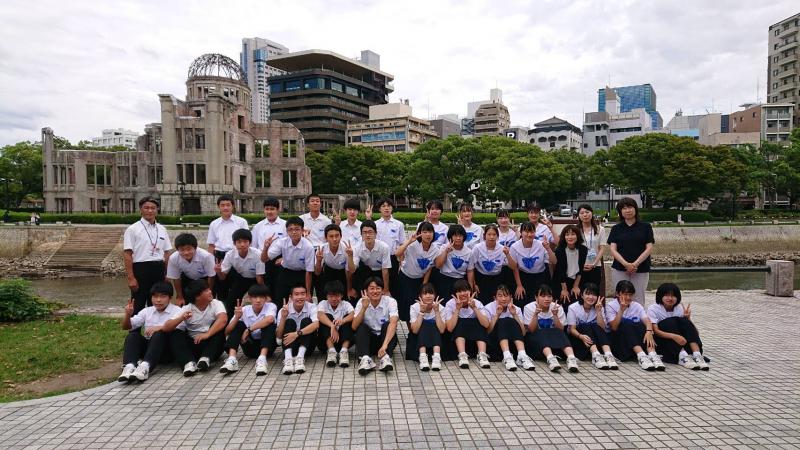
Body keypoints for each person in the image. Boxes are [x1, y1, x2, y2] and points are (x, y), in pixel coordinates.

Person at [118, 282, 181, 382]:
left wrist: (159, 328)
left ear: (170, 298)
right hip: (149, 350)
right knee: (133, 335)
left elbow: (181, 329)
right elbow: (126, 326)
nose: (158, 300)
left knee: (159, 334)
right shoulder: (147, 311)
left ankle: (145, 368)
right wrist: (127, 315)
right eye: (155, 296)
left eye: (162, 296)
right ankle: (129, 367)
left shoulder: (177, 311)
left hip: (166, 351)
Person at [163, 280, 228, 376]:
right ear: (197, 296)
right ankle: (188, 363)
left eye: (209, 289)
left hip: (213, 347)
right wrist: (181, 318)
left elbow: (223, 319)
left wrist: (207, 334)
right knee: (175, 332)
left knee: (219, 327)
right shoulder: (187, 309)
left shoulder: (216, 303)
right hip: (194, 344)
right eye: (206, 290)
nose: (210, 291)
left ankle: (205, 359)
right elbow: (166, 327)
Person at [123, 197, 173, 315]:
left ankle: (155, 326)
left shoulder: (162, 229)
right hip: (141, 269)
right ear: (140, 209)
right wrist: (131, 278)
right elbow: (127, 253)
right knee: (138, 303)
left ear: (157, 210)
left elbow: (167, 252)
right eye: (146, 208)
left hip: (159, 268)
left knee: (157, 303)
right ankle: (135, 326)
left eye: (153, 208)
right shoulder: (133, 229)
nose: (150, 211)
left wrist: (167, 273)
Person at [219, 284, 277, 376]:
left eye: (261, 297)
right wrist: (236, 318)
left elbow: (270, 319)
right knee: (238, 324)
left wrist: (248, 330)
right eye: (255, 297)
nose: (258, 300)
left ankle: (262, 360)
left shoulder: (271, 306)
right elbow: (227, 332)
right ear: (250, 298)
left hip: (268, 348)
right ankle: (232, 359)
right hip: (249, 347)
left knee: (269, 325)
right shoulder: (244, 309)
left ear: (266, 298)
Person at [605, 280, 663, 371]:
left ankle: (652, 354)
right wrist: (621, 310)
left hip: (633, 340)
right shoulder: (610, 306)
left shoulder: (636, 305)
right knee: (626, 323)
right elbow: (614, 327)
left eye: (630, 295)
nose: (628, 297)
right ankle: (641, 356)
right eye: (625, 294)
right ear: (617, 294)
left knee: (642, 326)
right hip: (619, 341)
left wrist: (649, 331)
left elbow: (647, 320)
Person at [648, 283, 708, 370]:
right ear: (660, 296)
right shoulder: (653, 309)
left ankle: (697, 355)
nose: (670, 298)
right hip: (664, 342)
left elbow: (695, 333)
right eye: (667, 295)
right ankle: (683, 357)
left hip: (682, 341)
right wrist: (674, 336)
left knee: (684, 321)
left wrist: (688, 319)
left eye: (673, 296)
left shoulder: (679, 308)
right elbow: (656, 331)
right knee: (668, 322)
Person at [607, 197, 654, 305]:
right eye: (624, 208)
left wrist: (635, 264)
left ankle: (638, 316)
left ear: (635, 209)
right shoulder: (616, 228)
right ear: (620, 211)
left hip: (641, 268)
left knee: (638, 298)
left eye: (630, 207)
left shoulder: (646, 227)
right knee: (620, 297)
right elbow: (613, 249)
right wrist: (626, 264)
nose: (627, 210)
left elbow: (649, 248)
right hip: (620, 268)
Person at [523, 284, 579, 372]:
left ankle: (571, 358)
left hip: (555, 341)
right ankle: (551, 359)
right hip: (537, 343)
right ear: (536, 297)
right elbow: (531, 330)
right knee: (542, 332)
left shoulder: (557, 307)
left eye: (549, 296)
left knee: (559, 333)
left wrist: (555, 315)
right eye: (543, 296)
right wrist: (535, 314)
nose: (547, 299)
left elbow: (561, 330)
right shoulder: (529, 307)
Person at [214, 229, 265, 320]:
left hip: (256, 279)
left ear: (250, 242)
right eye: (239, 242)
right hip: (242, 278)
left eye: (245, 241)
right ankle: (228, 321)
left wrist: (263, 293)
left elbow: (259, 277)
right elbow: (223, 277)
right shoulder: (230, 254)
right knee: (230, 302)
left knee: (259, 300)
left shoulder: (257, 254)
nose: (242, 245)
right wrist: (218, 271)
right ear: (234, 243)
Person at [262, 216, 315, 305]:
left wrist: (308, 293)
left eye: (297, 229)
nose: (294, 232)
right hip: (285, 273)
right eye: (290, 229)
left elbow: (309, 272)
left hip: (302, 274)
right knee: (280, 301)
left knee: (301, 303)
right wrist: (265, 248)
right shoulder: (282, 242)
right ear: (287, 231)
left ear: (302, 230)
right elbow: (264, 259)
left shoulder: (308, 246)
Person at [352, 277, 399, 375]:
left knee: (388, 324)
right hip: (369, 341)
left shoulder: (391, 301)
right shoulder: (361, 302)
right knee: (361, 327)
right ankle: (365, 359)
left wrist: (384, 345)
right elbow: (354, 326)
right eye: (372, 288)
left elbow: (394, 323)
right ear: (366, 291)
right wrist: (364, 308)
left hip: (385, 340)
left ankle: (385, 358)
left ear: (382, 290)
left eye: (378, 288)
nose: (375, 291)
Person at [396, 222, 441, 322]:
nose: (428, 235)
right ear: (419, 233)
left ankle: (417, 327)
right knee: (406, 307)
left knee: (418, 305)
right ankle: (410, 328)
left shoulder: (435, 250)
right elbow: (397, 253)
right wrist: (409, 241)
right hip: (406, 278)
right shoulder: (413, 245)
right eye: (424, 232)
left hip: (419, 280)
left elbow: (430, 267)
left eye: (430, 232)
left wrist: (424, 284)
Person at [483, 284, 535, 371]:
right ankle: (507, 357)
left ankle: (522, 356)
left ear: (511, 297)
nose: (503, 299)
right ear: (495, 298)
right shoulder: (488, 308)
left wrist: (514, 315)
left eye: (506, 296)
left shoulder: (516, 309)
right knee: (503, 321)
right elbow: (487, 332)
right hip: (495, 342)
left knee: (511, 320)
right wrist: (497, 315)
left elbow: (523, 333)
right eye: (500, 296)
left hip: (513, 343)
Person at [207, 194, 248, 302]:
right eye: (222, 205)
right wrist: (211, 262)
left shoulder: (241, 222)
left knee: (236, 287)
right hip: (220, 256)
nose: (225, 208)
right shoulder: (214, 224)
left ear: (233, 206)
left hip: (236, 255)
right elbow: (211, 245)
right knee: (221, 287)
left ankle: (235, 309)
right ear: (218, 207)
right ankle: (222, 309)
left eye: (228, 205)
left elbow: (247, 241)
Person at [566, 283, 617, 370]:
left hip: (596, 341)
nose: (591, 297)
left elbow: (602, 328)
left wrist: (598, 312)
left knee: (594, 326)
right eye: (588, 294)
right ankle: (596, 356)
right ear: (582, 295)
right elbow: (572, 329)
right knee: (585, 325)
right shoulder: (573, 307)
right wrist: (581, 336)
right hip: (578, 340)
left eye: (594, 294)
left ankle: (608, 355)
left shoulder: (599, 307)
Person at [443, 280, 491, 369]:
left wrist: (474, 308)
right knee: (460, 322)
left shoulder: (477, 302)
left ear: (470, 291)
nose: (462, 294)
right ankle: (462, 355)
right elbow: (449, 328)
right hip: (458, 334)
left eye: (465, 290)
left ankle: (482, 355)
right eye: (459, 291)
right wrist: (457, 309)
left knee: (478, 322)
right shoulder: (450, 304)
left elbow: (486, 324)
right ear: (455, 294)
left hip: (475, 332)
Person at [276, 284, 319, 375]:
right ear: (291, 297)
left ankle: (300, 358)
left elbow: (316, 324)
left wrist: (296, 334)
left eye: (303, 294)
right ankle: (288, 359)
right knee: (289, 321)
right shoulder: (284, 310)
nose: (300, 297)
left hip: (307, 347)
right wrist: (283, 318)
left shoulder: (311, 307)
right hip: (290, 345)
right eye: (296, 294)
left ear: (306, 295)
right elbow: (279, 338)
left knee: (307, 321)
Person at [510, 221, 554, 308]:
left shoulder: (541, 244)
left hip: (540, 276)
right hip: (523, 276)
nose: (529, 234)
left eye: (532, 232)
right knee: (521, 300)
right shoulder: (514, 246)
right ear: (521, 232)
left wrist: (548, 248)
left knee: (540, 302)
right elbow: (515, 267)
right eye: (526, 232)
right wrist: (519, 285)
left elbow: (554, 261)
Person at [468, 224, 515, 304]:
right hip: (481, 279)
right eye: (489, 234)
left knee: (497, 303)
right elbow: (470, 268)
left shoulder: (502, 248)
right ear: (484, 236)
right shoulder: (477, 248)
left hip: (497, 279)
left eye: (494, 234)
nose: (491, 237)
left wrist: (507, 254)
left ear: (497, 236)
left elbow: (513, 266)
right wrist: (473, 284)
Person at [368, 198, 404, 301]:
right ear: (379, 209)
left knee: (393, 286)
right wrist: (369, 218)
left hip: (392, 259)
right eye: (383, 206)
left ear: (392, 208)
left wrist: (401, 261)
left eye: (388, 206)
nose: (386, 208)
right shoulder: (375, 224)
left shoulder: (399, 224)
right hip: (377, 258)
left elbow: (402, 244)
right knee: (377, 285)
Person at [166, 233, 215, 306]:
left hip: (205, 278)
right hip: (187, 277)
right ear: (177, 249)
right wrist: (180, 297)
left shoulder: (206, 256)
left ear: (195, 248)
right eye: (182, 250)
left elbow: (211, 276)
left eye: (189, 249)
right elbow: (176, 278)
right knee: (186, 302)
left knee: (204, 300)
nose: (186, 253)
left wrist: (209, 292)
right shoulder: (173, 258)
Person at [406, 283, 445, 371]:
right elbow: (415, 330)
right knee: (424, 324)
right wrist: (421, 312)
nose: (428, 296)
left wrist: (437, 311)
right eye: (425, 293)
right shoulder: (414, 307)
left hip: (435, 338)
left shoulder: (440, 307)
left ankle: (436, 357)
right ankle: (423, 357)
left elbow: (442, 330)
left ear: (435, 295)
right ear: (420, 296)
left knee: (432, 324)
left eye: (431, 293)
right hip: (418, 338)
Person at [316, 280, 355, 368]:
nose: (334, 299)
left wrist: (342, 321)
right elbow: (319, 315)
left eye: (337, 296)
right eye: (330, 296)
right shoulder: (323, 303)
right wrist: (332, 326)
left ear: (342, 295)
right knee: (326, 317)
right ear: (326, 296)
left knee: (348, 318)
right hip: (325, 342)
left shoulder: (346, 304)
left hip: (342, 339)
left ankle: (344, 351)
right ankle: (331, 351)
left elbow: (353, 314)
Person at [350, 220, 391, 299]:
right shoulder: (357, 248)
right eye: (364, 232)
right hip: (365, 271)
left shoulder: (384, 247)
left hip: (380, 272)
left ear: (375, 234)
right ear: (361, 235)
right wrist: (350, 256)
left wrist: (386, 290)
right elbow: (352, 270)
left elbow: (385, 270)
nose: (367, 235)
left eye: (370, 232)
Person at [314, 224, 354, 302]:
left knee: (345, 297)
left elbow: (349, 271)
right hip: (328, 271)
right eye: (331, 236)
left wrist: (349, 289)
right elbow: (317, 272)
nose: (334, 239)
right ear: (326, 238)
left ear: (341, 236)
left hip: (343, 273)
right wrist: (318, 261)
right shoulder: (321, 249)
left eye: (337, 236)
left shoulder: (347, 249)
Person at [433, 224, 472, 301]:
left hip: (460, 281)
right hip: (444, 280)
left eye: (460, 236)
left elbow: (470, 271)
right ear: (450, 237)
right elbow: (438, 265)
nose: (458, 238)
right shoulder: (444, 247)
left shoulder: (469, 252)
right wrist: (446, 251)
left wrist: (470, 287)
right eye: (455, 236)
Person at [554, 224, 587, 309]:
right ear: (564, 237)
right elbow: (560, 271)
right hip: (561, 282)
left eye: (573, 234)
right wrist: (564, 289)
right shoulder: (559, 250)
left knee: (578, 302)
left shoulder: (583, 249)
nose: (570, 237)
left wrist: (576, 286)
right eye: (567, 235)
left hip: (576, 280)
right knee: (565, 302)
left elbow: (581, 269)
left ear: (577, 235)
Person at [577, 204, 605, 290]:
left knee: (594, 291)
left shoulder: (600, 229)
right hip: (579, 266)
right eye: (582, 213)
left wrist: (594, 264)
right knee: (580, 291)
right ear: (578, 215)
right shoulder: (576, 230)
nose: (585, 215)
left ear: (592, 213)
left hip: (595, 265)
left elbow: (602, 248)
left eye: (587, 212)